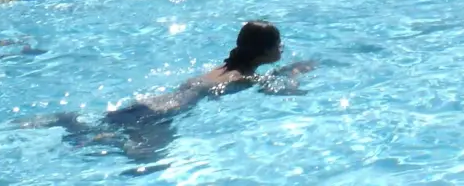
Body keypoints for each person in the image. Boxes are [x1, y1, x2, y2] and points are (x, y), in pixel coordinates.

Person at [23, 21, 312, 162]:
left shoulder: (225, 68)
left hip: (150, 104)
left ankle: (70, 121)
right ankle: (71, 122)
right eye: (278, 45)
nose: (282, 48)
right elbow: (278, 90)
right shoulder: (242, 76)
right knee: (146, 158)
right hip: (161, 115)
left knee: (101, 131)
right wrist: (295, 73)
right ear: (264, 52)